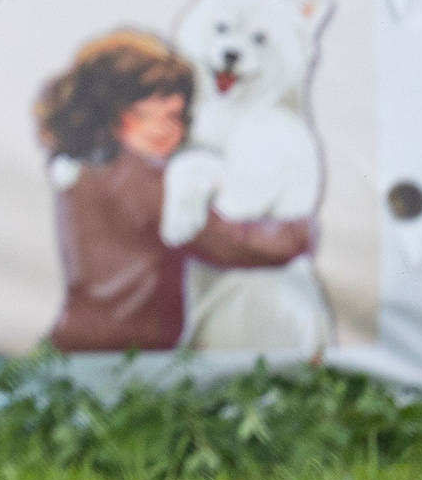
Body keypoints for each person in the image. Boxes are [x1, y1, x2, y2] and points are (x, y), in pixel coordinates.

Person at [34, 30, 315, 353]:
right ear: (119, 114)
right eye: (166, 116)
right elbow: (233, 245)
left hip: (75, 339)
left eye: (181, 118)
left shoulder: (78, 170)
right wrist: (298, 232)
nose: (175, 130)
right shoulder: (150, 184)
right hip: (128, 352)